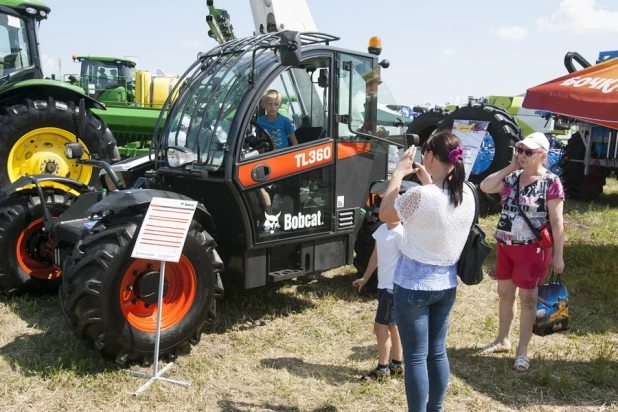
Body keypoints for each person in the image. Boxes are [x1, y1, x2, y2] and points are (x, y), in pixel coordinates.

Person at [379, 130, 475, 412]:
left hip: (413, 286)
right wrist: (427, 182)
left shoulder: (421, 195)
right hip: (446, 284)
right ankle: (436, 408)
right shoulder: (467, 192)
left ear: (430, 156)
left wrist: (398, 174)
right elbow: (438, 207)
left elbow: (386, 213)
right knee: (437, 352)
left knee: (416, 357)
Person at [478, 132, 565, 373]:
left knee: (528, 300)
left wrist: (558, 256)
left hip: (532, 249)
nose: (523, 155)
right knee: (505, 294)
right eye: (520, 150)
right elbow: (485, 186)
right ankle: (502, 340)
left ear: (543, 156)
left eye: (529, 152)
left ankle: (522, 351)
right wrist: (510, 166)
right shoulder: (513, 177)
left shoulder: (551, 182)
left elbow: (557, 223)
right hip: (506, 245)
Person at [352, 221, 404, 381]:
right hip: (383, 286)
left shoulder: (401, 233)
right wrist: (365, 278)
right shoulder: (382, 229)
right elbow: (376, 255)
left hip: (392, 289)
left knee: (380, 328)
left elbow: (408, 260)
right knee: (393, 327)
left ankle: (383, 369)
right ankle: (396, 365)